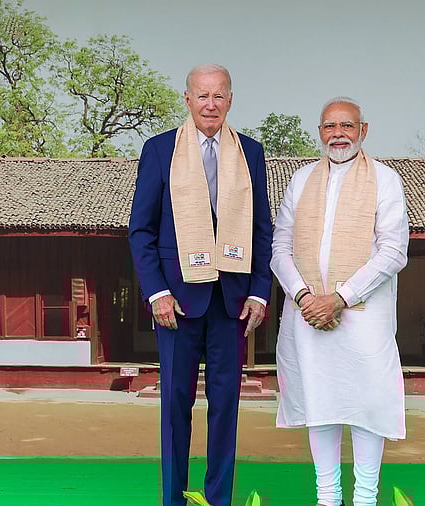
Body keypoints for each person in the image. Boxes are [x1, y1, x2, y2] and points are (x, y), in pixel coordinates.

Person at [128, 63, 273, 506]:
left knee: (225, 407)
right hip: (176, 301)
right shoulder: (159, 150)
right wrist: (156, 292)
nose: (211, 104)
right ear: (187, 99)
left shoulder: (250, 152)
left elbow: (262, 229)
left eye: (219, 95)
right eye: (203, 95)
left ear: (230, 100)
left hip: (232, 300)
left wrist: (259, 290)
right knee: (175, 406)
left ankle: (218, 499)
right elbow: (141, 230)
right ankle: (173, 499)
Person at [270, 97, 409, 506]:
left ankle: (365, 498)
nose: (338, 134)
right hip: (307, 314)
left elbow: (393, 251)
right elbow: (279, 247)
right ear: (320, 132)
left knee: (367, 405)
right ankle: (327, 497)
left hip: (364, 318)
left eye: (347, 126)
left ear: (363, 130)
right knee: (321, 403)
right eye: (330, 126)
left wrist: (340, 298)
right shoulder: (301, 180)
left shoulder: (385, 180)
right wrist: (304, 296)